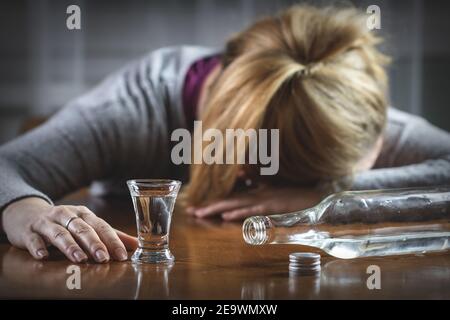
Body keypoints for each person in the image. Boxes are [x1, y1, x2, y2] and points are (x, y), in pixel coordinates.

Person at [1, 5, 449, 263]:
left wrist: (328, 191)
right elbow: (9, 165)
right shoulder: (135, 109)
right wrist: (24, 209)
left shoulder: (338, 110)